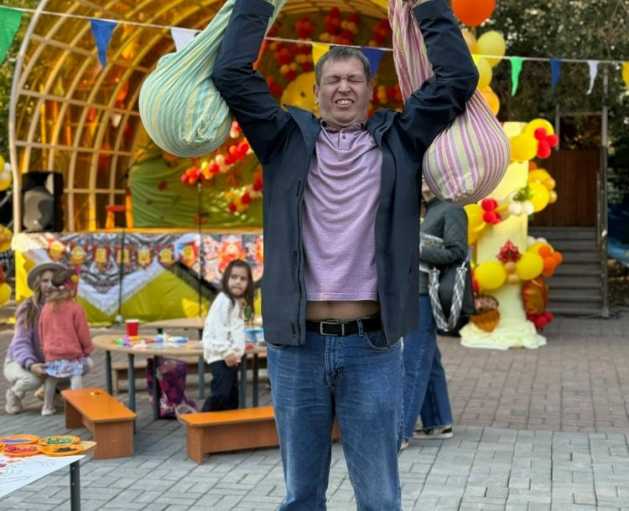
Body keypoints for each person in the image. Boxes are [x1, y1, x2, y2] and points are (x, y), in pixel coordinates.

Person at [210, 0, 477, 507]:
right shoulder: (284, 140)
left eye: (354, 79)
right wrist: (257, 6)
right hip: (297, 347)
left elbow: (458, 78)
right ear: (316, 91)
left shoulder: (400, 141)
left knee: (379, 498)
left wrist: (428, 8)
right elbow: (231, 74)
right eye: (332, 80)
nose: (343, 88)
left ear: (370, 90)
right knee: (301, 497)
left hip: (371, 347)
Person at [401, 188, 468, 448]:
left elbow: (457, 251)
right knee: (428, 359)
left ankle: (400, 432)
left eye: (426, 177)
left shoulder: (451, 209)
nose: (421, 183)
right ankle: (438, 421)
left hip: (425, 294)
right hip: (413, 291)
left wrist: (416, 248)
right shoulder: (427, 211)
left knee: (414, 360)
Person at [4, 261, 65, 414]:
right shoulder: (28, 308)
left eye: (53, 281)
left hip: (48, 361)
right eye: (45, 281)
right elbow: (21, 342)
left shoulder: (64, 307)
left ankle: (48, 392)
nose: (49, 285)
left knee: (77, 368)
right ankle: (14, 394)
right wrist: (31, 365)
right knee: (32, 380)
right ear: (38, 283)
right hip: (20, 360)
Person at [201, 259, 254, 412]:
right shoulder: (224, 300)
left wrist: (240, 346)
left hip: (231, 357)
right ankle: (202, 419)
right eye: (234, 277)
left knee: (231, 398)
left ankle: (225, 426)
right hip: (221, 356)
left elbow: (237, 327)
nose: (238, 282)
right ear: (226, 279)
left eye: (243, 279)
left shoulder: (237, 302)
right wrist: (226, 351)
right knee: (221, 394)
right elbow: (217, 329)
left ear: (249, 283)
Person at [38, 268, 93, 416]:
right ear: (73, 288)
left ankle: (47, 407)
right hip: (71, 352)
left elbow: (41, 329)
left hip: (51, 352)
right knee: (76, 375)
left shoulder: (46, 307)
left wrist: (44, 347)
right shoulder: (76, 308)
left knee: (51, 378)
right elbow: (83, 332)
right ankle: (76, 408)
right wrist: (87, 349)